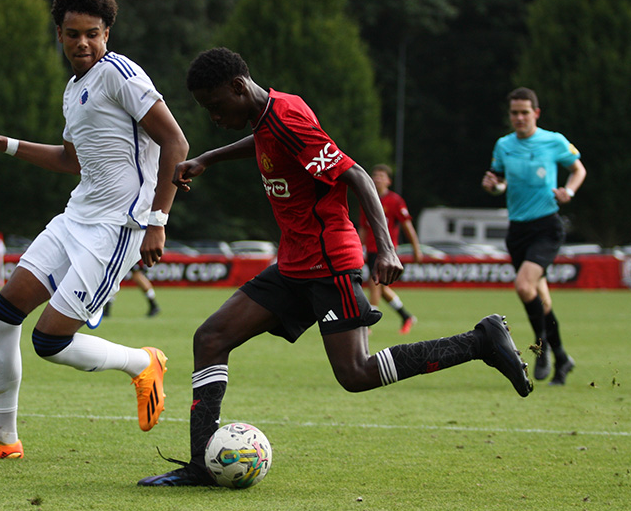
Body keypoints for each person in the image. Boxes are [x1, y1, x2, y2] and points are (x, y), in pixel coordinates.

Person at [139, 48, 531, 487]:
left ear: (237, 87)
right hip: (292, 265)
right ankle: (200, 466)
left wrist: (386, 248)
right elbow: (265, 142)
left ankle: (479, 341)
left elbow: (358, 175)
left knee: (356, 374)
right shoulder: (269, 117)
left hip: (329, 264)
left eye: (214, 106)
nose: (212, 116)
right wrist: (208, 158)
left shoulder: (288, 119)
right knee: (211, 338)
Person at [0, 0, 189, 460]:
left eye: (92, 34)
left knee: (49, 341)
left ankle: (142, 362)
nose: (83, 44)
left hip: (117, 228)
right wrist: (3, 144)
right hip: (76, 217)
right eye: (72, 34)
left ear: (107, 33)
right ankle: (2, 438)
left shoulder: (119, 73)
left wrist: (158, 220)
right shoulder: (74, 91)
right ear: (59, 35)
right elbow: (72, 159)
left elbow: (176, 143)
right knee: (3, 310)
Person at [482, 87, 586, 386]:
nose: (519, 117)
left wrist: (569, 191)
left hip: (546, 226)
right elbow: (499, 183)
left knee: (524, 286)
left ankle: (541, 350)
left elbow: (578, 169)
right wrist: (492, 186)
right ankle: (563, 357)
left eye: (524, 112)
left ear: (536, 113)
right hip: (517, 230)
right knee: (541, 298)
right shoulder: (503, 145)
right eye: (514, 112)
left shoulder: (553, 141)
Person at [357, 164, 423, 333]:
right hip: (371, 249)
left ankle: (368, 325)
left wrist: (416, 249)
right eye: (375, 175)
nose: (377, 179)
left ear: (388, 181)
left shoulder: (395, 200)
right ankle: (406, 316)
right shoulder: (367, 198)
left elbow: (407, 226)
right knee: (381, 288)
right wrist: (357, 248)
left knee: (375, 284)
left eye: (381, 176)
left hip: (386, 250)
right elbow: (363, 228)